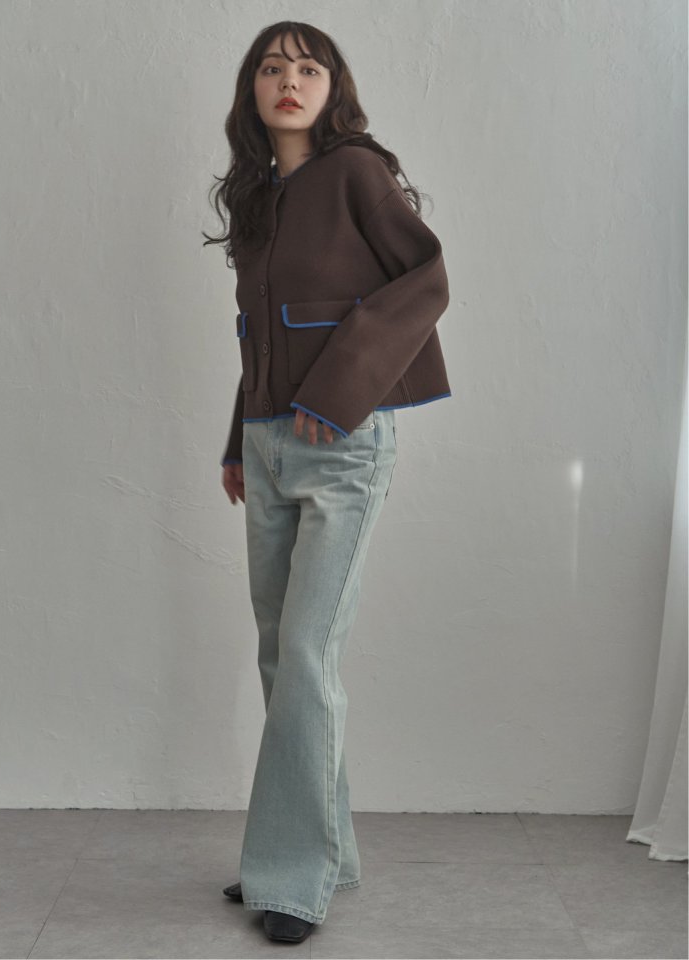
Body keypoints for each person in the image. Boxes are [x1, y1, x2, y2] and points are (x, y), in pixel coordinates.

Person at [202, 20, 451, 945]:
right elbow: (261, 336)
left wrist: (339, 395)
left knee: (306, 652)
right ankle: (321, 847)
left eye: (308, 67)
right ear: (252, 91)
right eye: (272, 67)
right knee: (283, 654)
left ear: (332, 86)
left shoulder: (356, 173)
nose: (290, 80)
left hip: (344, 447)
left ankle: (288, 873)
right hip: (268, 448)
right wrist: (238, 440)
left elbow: (426, 280)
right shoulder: (257, 201)